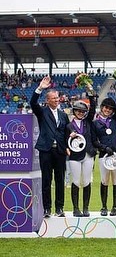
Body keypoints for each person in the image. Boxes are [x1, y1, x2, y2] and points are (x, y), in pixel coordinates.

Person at [30, 75, 69, 218]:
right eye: (54, 98)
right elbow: (33, 102)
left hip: (59, 151)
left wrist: (67, 146)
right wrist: (40, 87)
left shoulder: (63, 115)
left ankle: (59, 208)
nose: (57, 100)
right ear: (47, 100)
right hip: (46, 150)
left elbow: (65, 132)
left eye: (58, 97)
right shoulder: (42, 112)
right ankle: (47, 208)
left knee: (60, 180)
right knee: (46, 180)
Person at [66, 93, 97, 217]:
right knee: (76, 181)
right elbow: (65, 141)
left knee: (86, 181)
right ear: (74, 111)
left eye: (82, 111)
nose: (80, 113)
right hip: (75, 156)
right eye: (78, 111)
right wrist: (69, 137)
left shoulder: (88, 122)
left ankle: (85, 208)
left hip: (88, 155)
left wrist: (90, 95)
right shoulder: (68, 126)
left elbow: (93, 109)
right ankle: (75, 208)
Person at [94, 93, 116, 216]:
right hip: (104, 154)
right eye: (106, 107)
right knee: (104, 180)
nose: (108, 110)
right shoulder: (95, 123)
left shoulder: (114, 119)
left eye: (110, 109)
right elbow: (94, 141)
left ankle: (115, 207)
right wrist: (104, 148)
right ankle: (104, 207)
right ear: (102, 107)